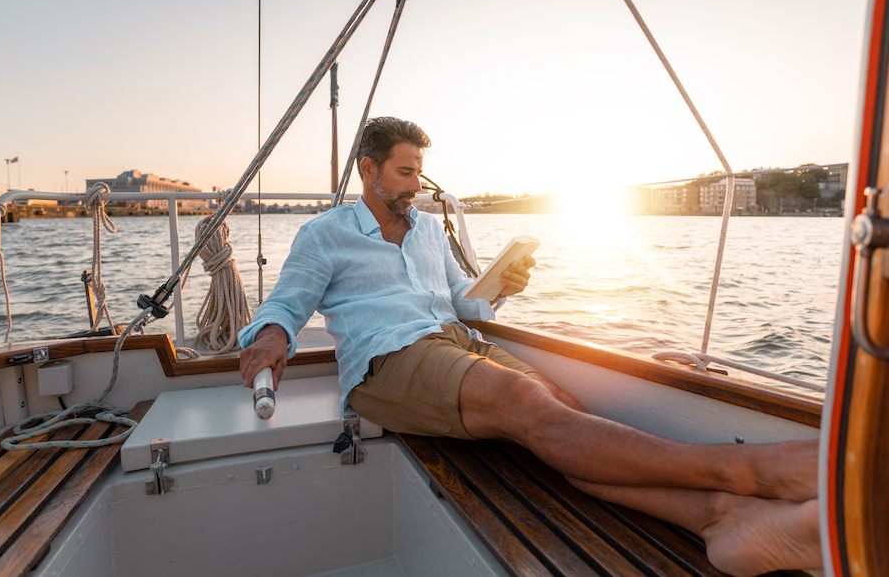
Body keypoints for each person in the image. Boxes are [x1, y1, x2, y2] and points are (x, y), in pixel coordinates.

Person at [238, 117, 821, 577]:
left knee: (564, 410)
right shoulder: (325, 233)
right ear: (369, 169)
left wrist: (499, 287)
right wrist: (270, 338)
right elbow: (287, 303)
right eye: (404, 173)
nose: (416, 186)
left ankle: (718, 520)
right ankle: (751, 472)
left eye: (420, 173)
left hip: (453, 341)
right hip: (385, 363)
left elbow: (458, 299)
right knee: (528, 403)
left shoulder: (426, 229)